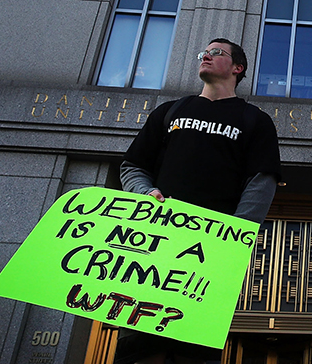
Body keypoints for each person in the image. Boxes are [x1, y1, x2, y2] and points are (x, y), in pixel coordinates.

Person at [116, 38, 282, 364]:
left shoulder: (254, 121)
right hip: (151, 250)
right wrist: (145, 194)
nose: (206, 55)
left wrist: (234, 236)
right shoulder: (170, 112)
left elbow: (261, 182)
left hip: (206, 259)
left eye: (216, 52)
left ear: (238, 67)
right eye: (204, 52)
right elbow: (133, 166)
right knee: (136, 345)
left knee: (192, 348)